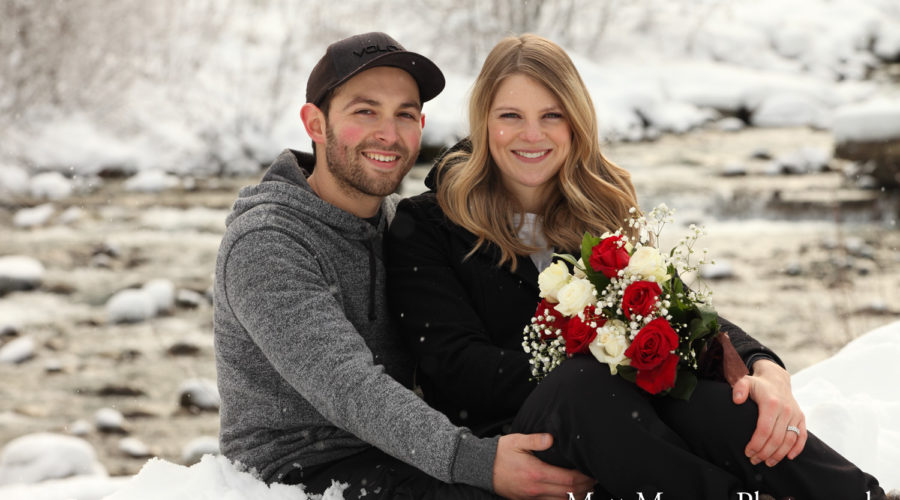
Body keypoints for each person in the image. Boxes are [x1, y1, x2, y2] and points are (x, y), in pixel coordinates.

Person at [385, 33, 890, 499]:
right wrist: (614, 357)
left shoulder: (599, 208)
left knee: (719, 402)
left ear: (576, 121)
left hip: (621, 425)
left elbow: (678, 312)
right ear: (483, 122)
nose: (532, 134)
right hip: (514, 446)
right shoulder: (429, 224)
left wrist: (762, 364)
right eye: (510, 115)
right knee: (587, 385)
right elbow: (455, 370)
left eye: (553, 115)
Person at [213, 32, 596, 499]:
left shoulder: (399, 222)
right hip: (301, 472)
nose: (389, 135)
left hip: (399, 452)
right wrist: (480, 461)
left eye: (405, 115)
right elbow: (350, 387)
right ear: (315, 123)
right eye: (365, 111)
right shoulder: (268, 243)